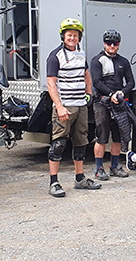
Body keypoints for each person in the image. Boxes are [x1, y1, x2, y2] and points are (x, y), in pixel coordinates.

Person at [46, 18, 101, 197]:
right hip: (65, 107)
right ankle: (54, 183)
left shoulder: (81, 54)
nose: (72, 38)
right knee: (59, 143)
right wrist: (59, 106)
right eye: (69, 35)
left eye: (75, 36)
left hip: (80, 105)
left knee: (81, 142)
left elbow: (86, 75)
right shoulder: (55, 56)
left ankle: (80, 178)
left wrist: (89, 93)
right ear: (63, 36)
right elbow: (51, 84)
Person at [90, 29, 136, 180]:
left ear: (118, 45)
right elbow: (96, 82)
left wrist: (121, 93)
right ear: (104, 43)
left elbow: (131, 82)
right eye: (108, 43)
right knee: (102, 136)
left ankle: (114, 166)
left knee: (118, 136)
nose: (111, 46)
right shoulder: (97, 60)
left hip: (119, 103)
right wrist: (111, 94)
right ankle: (98, 169)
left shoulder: (123, 62)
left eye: (114, 43)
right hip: (102, 102)